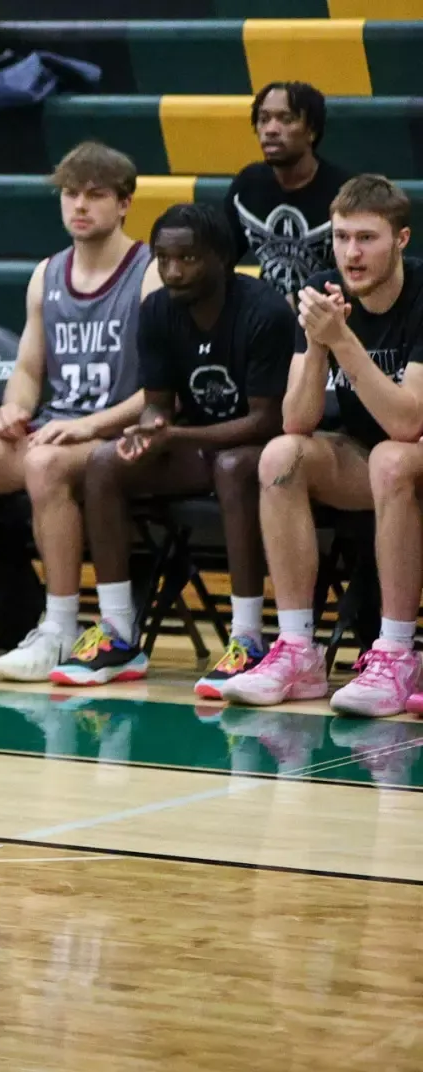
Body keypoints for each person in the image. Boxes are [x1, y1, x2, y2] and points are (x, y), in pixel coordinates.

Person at [0, 142, 156, 681]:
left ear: (124, 204)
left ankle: (60, 626)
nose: (80, 206)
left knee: (43, 464)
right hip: (57, 428)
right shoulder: (46, 274)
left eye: (95, 195)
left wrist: (89, 425)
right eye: (71, 194)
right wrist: (12, 409)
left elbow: (161, 392)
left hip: (123, 435)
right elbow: (27, 369)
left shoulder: (150, 272)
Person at [48, 205, 288, 689]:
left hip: (263, 451)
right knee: (103, 462)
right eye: (163, 258)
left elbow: (265, 421)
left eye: (188, 258)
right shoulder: (157, 311)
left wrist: (174, 435)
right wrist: (148, 431)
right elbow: (157, 405)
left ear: (221, 259)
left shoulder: (265, 310)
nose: (173, 271)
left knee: (233, 466)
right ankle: (118, 632)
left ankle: (247, 637)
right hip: (197, 445)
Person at [221, 175, 423, 717]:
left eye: (366, 238)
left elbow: (409, 422)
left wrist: (343, 342)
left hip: (409, 456)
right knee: (281, 457)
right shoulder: (323, 288)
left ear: (401, 239)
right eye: (340, 237)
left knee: (394, 456)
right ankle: (297, 649)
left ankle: (398, 653)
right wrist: (315, 346)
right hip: (374, 467)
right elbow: (296, 419)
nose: (350, 253)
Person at [226, 81, 351, 300]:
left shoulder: (345, 192)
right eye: (264, 120)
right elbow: (220, 259)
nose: (271, 130)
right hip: (270, 319)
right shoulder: (247, 185)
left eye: (287, 119)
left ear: (311, 131)